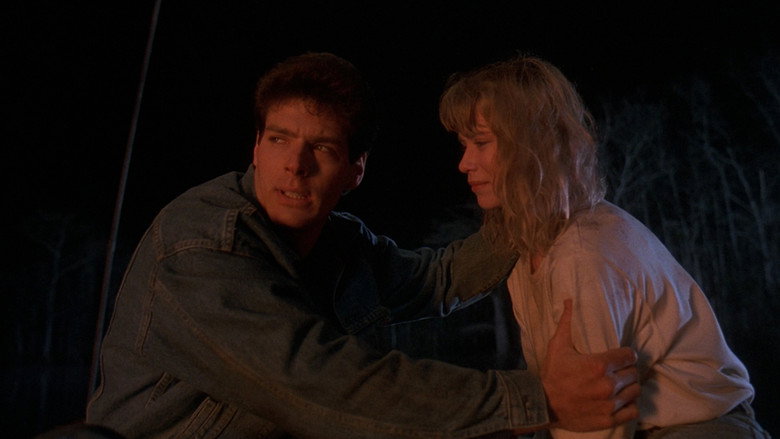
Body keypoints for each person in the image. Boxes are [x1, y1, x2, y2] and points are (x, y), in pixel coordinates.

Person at [86, 52, 640, 438]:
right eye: (278, 139)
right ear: (255, 147)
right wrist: (537, 400)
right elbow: (320, 383)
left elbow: (439, 278)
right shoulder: (201, 247)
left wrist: (529, 195)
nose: (295, 165)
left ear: (355, 170)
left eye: (322, 148)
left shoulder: (341, 245)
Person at [439, 55, 770, 438]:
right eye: (464, 144)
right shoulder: (528, 242)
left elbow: (596, 421)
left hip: (702, 428)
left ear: (531, 146)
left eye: (481, 143)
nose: (465, 163)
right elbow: (562, 396)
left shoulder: (583, 254)